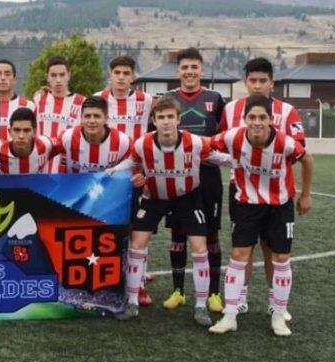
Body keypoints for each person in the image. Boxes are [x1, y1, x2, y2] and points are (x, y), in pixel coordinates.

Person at [115, 97, 230, 326]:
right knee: (137, 244)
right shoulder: (142, 144)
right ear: (154, 121)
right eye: (161, 117)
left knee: (199, 247)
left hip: (188, 197)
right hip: (155, 197)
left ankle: (200, 307)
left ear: (178, 119)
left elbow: (219, 158)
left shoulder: (195, 142)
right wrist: (110, 172)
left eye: (170, 117)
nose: (166, 122)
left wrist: (243, 160)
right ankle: (132, 302)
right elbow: (129, 163)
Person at [209, 95, 313, 336]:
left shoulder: (285, 143)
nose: (256, 122)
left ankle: (278, 315)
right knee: (238, 255)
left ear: (271, 120)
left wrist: (305, 195)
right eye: (252, 117)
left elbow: (307, 160)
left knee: (281, 257)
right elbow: (207, 147)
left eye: (262, 117)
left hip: (280, 205)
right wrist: (229, 160)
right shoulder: (233, 136)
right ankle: (230, 315)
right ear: (245, 119)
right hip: (248, 204)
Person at [219, 57, 307, 320]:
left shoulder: (288, 111)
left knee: (273, 249)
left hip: (276, 192)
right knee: (242, 248)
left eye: (262, 81)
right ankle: (240, 298)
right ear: (245, 82)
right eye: (252, 80)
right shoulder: (231, 109)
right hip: (241, 189)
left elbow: (298, 149)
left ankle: (274, 301)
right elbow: (224, 143)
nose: (257, 85)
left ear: (272, 83)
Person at [162, 47, 226, 312]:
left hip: (208, 179)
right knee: (178, 233)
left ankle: (214, 294)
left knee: (210, 235)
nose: (189, 72)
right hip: (176, 179)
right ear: (178, 71)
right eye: (184, 67)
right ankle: (178, 291)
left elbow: (224, 138)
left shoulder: (215, 98)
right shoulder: (168, 99)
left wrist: (207, 152)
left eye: (194, 67)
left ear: (201, 69)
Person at [95, 55, 155, 306]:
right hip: (108, 178)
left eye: (126, 73)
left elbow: (155, 130)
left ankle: (138, 283)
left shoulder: (146, 100)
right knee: (106, 230)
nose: (121, 77)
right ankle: (105, 277)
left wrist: (145, 169)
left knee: (138, 231)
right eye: (116, 72)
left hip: (136, 177)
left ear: (133, 77)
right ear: (110, 75)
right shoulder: (99, 99)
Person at [33, 56, 85, 173]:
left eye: (62, 75)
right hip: (41, 168)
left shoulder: (82, 102)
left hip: (68, 169)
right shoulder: (38, 99)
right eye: (53, 75)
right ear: (47, 77)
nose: (58, 80)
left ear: (69, 75)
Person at [55, 96, 132, 174]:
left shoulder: (123, 141)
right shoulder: (67, 137)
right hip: (74, 185)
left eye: (97, 116)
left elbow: (134, 164)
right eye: (87, 116)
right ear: (81, 118)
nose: (92, 121)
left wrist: (137, 178)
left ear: (106, 118)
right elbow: (47, 149)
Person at [0, 107, 58, 175]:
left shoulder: (46, 144)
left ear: (34, 132)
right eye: (16, 130)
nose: (21, 136)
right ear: (9, 131)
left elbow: (66, 142)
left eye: (26, 130)